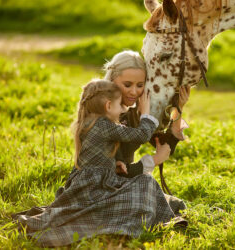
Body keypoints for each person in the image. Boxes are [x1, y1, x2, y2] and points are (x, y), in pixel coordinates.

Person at [12, 79, 183, 247]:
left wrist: (111, 164)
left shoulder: (87, 121)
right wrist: (147, 114)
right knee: (145, 182)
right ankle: (126, 223)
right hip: (95, 187)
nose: (122, 111)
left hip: (85, 182)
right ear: (108, 106)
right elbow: (141, 135)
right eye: (119, 106)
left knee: (141, 184)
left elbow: (94, 156)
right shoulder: (104, 125)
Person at [103, 50, 190, 212]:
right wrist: (155, 159)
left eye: (140, 85)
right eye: (127, 85)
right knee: (153, 197)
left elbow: (165, 144)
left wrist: (178, 107)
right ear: (112, 81)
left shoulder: (134, 112)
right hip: (106, 185)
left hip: (127, 180)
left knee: (176, 206)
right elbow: (118, 171)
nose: (134, 92)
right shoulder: (104, 115)